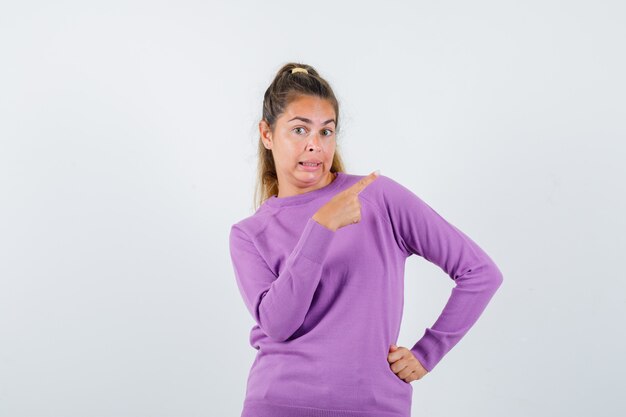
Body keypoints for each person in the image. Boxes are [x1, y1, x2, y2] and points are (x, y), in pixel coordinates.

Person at [228, 62, 504, 417]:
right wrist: (321, 228)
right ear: (267, 134)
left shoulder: (377, 197)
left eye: (326, 132)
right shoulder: (249, 234)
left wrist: (427, 352)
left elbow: (479, 272)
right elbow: (279, 325)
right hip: (279, 404)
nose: (314, 146)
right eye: (299, 130)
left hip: (374, 407)